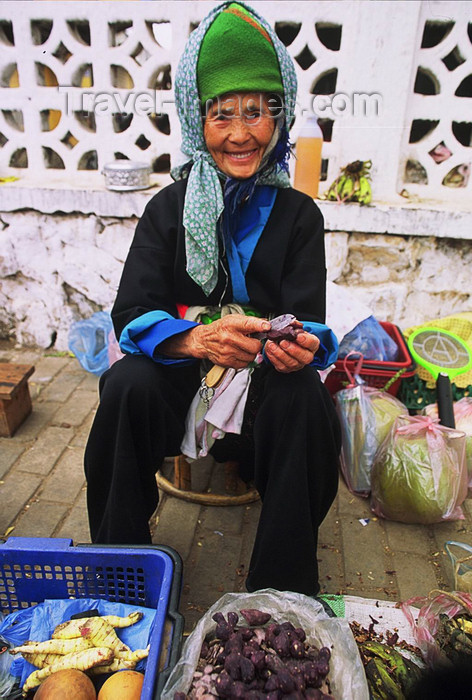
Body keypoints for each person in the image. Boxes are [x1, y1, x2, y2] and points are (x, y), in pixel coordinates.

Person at [84, 1, 341, 596]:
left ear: (280, 118)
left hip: (262, 388)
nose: (240, 133)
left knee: (306, 400)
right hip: (183, 374)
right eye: (222, 114)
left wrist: (302, 347)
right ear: (196, 120)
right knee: (125, 387)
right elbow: (131, 311)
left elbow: (313, 322)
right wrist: (195, 338)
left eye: (256, 112)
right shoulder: (168, 208)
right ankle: (118, 576)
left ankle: (280, 596)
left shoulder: (301, 216)